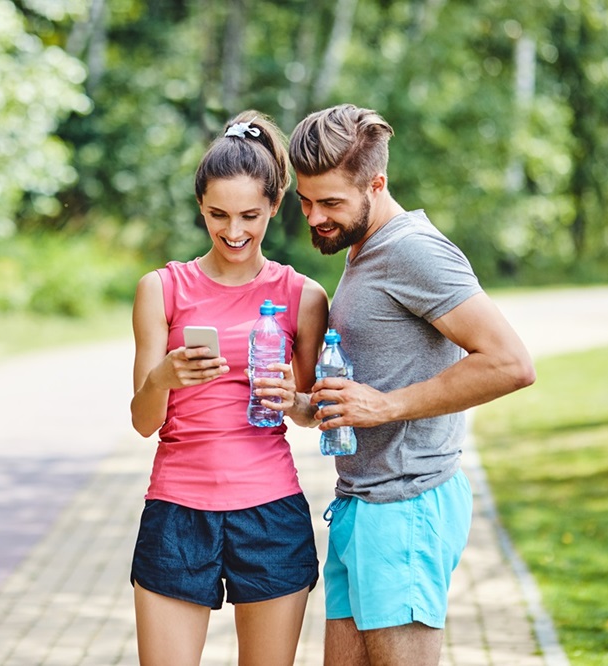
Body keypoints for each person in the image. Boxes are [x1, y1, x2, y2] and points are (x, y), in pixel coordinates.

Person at [287, 103, 537, 666]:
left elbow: (510, 362)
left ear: (376, 184)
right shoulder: (364, 248)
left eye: (330, 202)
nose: (313, 217)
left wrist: (388, 406)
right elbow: (367, 387)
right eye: (305, 200)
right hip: (362, 503)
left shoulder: (413, 250)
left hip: (407, 505)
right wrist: (303, 404)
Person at [129, 110, 329, 666]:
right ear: (200, 206)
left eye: (249, 215)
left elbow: (314, 412)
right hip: (176, 511)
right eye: (218, 215)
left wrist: (293, 401)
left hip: (270, 512)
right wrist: (164, 377)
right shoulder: (161, 289)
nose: (234, 231)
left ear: (273, 207)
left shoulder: (302, 295)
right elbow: (144, 420)